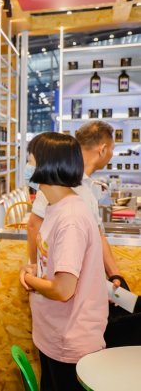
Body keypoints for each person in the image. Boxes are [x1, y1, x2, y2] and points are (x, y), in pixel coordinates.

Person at [19, 132, 108, 391]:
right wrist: (34, 268)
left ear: (48, 164)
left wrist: (29, 279)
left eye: (31, 160)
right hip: (54, 334)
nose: (27, 166)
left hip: (69, 342)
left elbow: (63, 289)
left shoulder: (71, 218)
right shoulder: (54, 207)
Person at [26, 121, 122, 284]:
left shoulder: (85, 187)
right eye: (112, 149)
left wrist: (115, 274)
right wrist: (36, 268)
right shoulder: (59, 185)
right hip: (61, 283)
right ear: (103, 149)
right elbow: (34, 225)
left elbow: (98, 235)